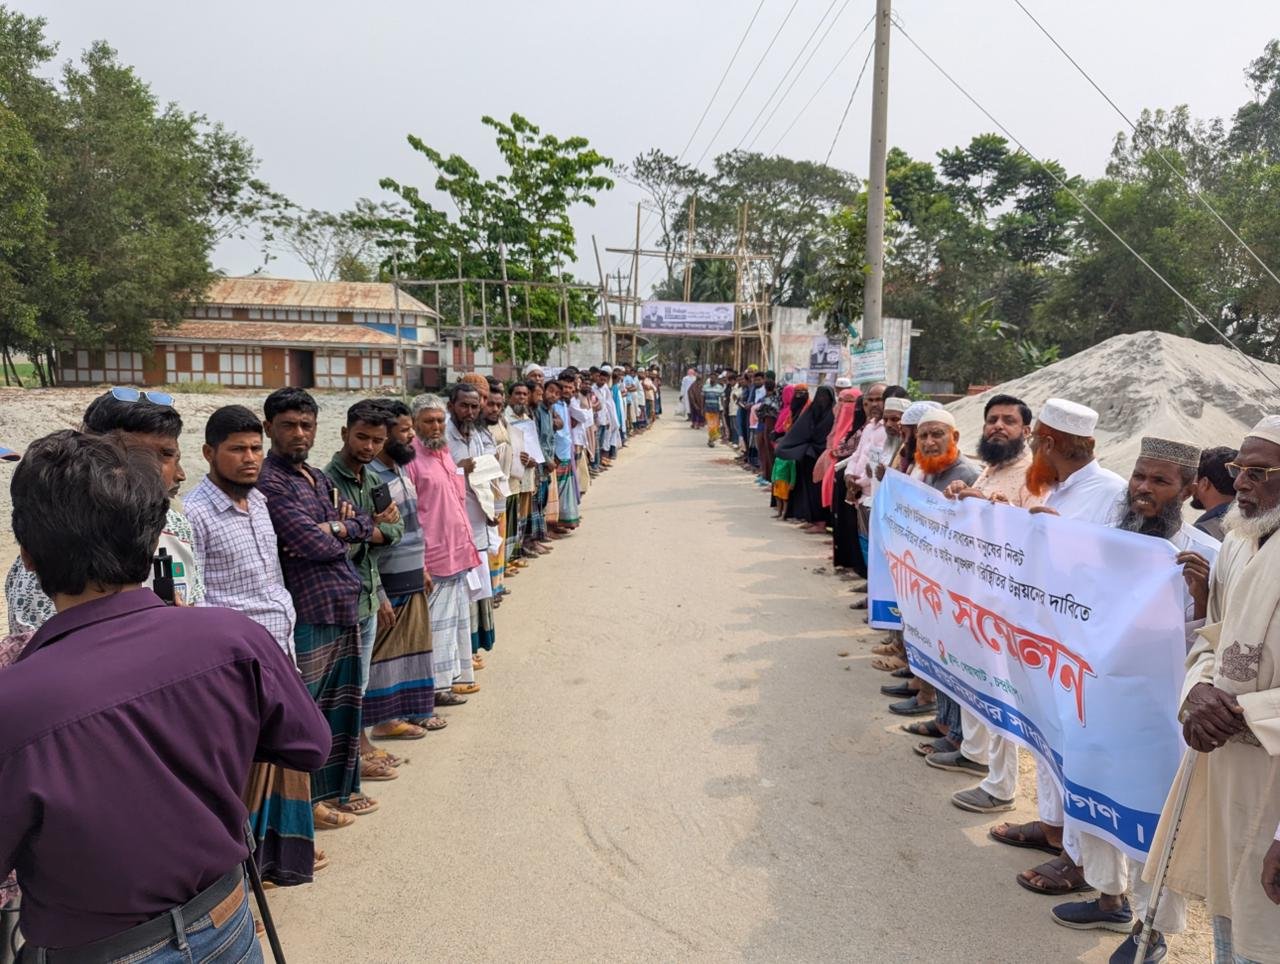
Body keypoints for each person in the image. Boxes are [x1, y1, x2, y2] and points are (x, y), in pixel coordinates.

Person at [0, 429, 330, 961]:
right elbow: (310, 745)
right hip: (225, 919)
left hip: (102, 946)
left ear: (29, 557)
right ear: (155, 537)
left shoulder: (14, 701)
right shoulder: (231, 638)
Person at [1047, 437, 1219, 957]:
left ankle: (1152, 930)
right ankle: (1108, 898)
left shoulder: (1207, 557)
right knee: (1092, 796)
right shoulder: (1106, 541)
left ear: (1187, 490)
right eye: (1139, 477)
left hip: (1158, 717)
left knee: (1153, 819)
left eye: (1160, 481)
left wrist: (1203, 599)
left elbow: (1219, 645)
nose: (1143, 488)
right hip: (1094, 700)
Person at [1143, 415, 1280, 964]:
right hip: (1225, 762)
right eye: (1239, 469)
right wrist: (1197, 692)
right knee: (1230, 914)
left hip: (1272, 774)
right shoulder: (1240, 543)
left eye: (1258, 472)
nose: (1239, 482)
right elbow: (1213, 639)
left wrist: (1244, 711)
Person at [987, 399, 1127, 900]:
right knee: (1046, 738)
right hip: (1044, 638)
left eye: (1034, 439)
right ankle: (1052, 827)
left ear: (1047, 442)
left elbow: (1116, 568)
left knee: (1077, 753)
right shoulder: (1058, 486)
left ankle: (1080, 860)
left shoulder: (1110, 494)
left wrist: (1061, 537)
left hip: (1080, 647)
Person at [185, 404, 319, 887]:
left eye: (256, 448)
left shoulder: (258, 501)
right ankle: (239, 879)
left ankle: (279, 858)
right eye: (237, 449)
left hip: (280, 647)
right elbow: (195, 597)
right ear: (208, 453)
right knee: (241, 771)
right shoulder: (194, 515)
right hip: (238, 664)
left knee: (279, 759)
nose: (249, 458)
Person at [258, 387, 376, 826]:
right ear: (269, 428)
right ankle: (301, 812)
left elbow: (362, 521)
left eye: (306, 425)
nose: (299, 434)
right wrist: (343, 529)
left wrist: (339, 527)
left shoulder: (314, 477)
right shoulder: (270, 482)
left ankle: (329, 796)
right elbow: (310, 543)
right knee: (306, 715)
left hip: (342, 603)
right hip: (309, 611)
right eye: (288, 425)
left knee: (339, 710)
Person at [5, 388, 205, 632]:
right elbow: (38, 647)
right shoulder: (53, 549)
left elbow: (194, 603)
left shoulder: (177, 526)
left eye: (169, 454)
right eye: (140, 456)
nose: (180, 474)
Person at [945, 394, 1043, 815]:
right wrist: (960, 494)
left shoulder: (1033, 475)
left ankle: (1002, 788)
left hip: (1006, 604)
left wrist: (991, 507)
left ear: (1026, 430)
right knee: (974, 677)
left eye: (1008, 420)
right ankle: (974, 752)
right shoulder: (991, 468)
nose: (998, 427)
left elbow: (1035, 534)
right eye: (992, 420)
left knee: (1002, 690)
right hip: (975, 595)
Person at [325, 401, 406, 781]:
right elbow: (334, 545)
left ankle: (358, 748)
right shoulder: (328, 483)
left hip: (369, 594)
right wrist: (368, 528)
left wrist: (361, 528)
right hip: (343, 600)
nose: (369, 447)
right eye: (362, 437)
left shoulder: (373, 480)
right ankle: (351, 758)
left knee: (359, 682)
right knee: (345, 686)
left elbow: (395, 531)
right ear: (345, 433)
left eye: (377, 440)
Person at [886, 409, 978, 731]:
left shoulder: (966, 475)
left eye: (937, 434)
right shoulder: (927, 469)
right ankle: (925, 694)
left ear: (955, 437)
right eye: (923, 435)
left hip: (951, 581)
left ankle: (938, 712)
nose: (928, 442)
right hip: (925, 572)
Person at [366, 398, 441, 740]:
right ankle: (385, 721)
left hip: (411, 574)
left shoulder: (399, 470)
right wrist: (379, 592)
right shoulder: (372, 477)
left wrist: (422, 566)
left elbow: (412, 524)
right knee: (386, 654)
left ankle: (409, 712)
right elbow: (369, 542)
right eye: (405, 430)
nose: (412, 436)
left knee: (411, 648)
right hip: (389, 579)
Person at [407, 393, 482, 708]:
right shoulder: (411, 461)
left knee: (452, 625)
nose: (436, 426)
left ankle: (448, 681)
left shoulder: (444, 452)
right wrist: (420, 563)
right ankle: (432, 689)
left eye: (440, 420)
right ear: (414, 423)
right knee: (435, 628)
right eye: (429, 421)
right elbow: (411, 515)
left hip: (458, 552)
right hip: (434, 557)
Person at [444, 383, 496, 682]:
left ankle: (471, 649)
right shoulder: (442, 437)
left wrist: (491, 510)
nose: (470, 411)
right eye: (464, 405)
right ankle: (458, 656)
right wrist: (459, 469)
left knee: (477, 589)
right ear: (451, 405)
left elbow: (485, 476)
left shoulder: (476, 434)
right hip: (452, 525)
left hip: (477, 519)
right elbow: (435, 477)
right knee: (460, 591)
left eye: (475, 406)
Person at [1192, 445, 1238, 541]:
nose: (1192, 485)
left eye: (1195, 479)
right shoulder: (1248, 522)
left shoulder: (1204, 532)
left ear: (1204, 484)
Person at [704, 373, 725, 447]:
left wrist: (723, 408)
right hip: (707, 408)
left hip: (716, 409)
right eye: (711, 378)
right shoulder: (705, 387)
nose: (712, 379)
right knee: (710, 425)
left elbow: (722, 399)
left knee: (715, 425)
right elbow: (702, 398)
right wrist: (701, 408)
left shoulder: (720, 388)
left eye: (714, 378)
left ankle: (711, 439)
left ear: (716, 379)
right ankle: (711, 440)